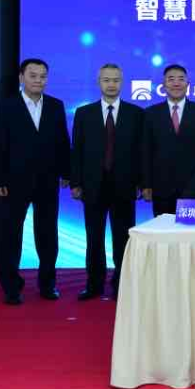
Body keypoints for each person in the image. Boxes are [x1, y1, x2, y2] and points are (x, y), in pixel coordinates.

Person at [0, 58, 71, 305]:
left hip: (48, 180)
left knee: (47, 234)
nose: (38, 80)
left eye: (43, 76)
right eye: (33, 75)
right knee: (10, 235)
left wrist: (67, 173)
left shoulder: (56, 105)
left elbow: (63, 142)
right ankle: (11, 287)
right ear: (21, 77)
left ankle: (47, 284)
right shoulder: (7, 106)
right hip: (13, 182)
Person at [70, 63, 144, 300]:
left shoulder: (136, 114)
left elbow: (141, 152)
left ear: (122, 82)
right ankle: (94, 285)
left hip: (124, 187)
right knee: (94, 239)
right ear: (98, 82)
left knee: (123, 240)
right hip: (92, 186)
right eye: (106, 80)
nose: (111, 84)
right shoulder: (84, 113)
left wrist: (142, 183)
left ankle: (122, 285)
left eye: (115, 80)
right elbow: (77, 150)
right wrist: (75, 182)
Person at [142, 64, 195, 218]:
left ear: (188, 84)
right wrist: (146, 185)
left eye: (181, 79)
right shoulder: (150, 113)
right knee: (163, 231)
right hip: (161, 188)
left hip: (194, 188)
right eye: (171, 79)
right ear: (163, 85)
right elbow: (146, 151)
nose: (176, 83)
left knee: (193, 232)